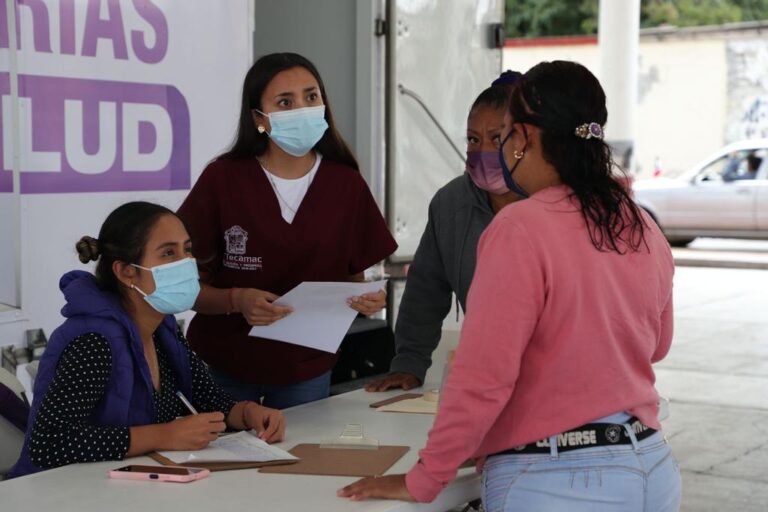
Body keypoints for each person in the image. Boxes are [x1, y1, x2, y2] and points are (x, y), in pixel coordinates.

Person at [339, 61, 681, 511]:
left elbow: (482, 379)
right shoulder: (637, 220)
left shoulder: (520, 226)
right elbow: (657, 344)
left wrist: (425, 479)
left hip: (559, 480)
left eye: (504, 134)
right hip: (651, 468)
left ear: (525, 138)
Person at [177, 53, 397, 409]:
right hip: (225, 365)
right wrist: (235, 300)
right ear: (259, 119)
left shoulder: (346, 184)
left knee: (298, 459)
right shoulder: (223, 179)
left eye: (311, 97)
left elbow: (353, 282)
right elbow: (184, 287)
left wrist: (368, 300)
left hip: (305, 369)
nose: (302, 109)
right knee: (224, 459)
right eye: (285, 102)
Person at [9, 202, 285, 478]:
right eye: (168, 253)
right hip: (59, 495)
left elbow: (206, 399)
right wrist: (163, 435)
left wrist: (248, 413)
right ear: (126, 272)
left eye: (187, 250)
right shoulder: (93, 340)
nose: (186, 262)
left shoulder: (163, 326)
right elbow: (49, 443)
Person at [366, 71, 522, 392]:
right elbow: (425, 291)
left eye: (496, 138)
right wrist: (409, 364)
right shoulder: (451, 203)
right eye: (473, 140)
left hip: (557, 378)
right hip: (487, 376)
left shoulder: (556, 202)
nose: (482, 151)